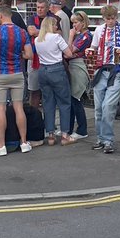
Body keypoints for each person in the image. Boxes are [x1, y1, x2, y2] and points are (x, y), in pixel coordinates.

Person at [0, 6, 33, 156]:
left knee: (1, 110)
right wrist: (19, 54)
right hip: (17, 72)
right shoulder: (22, 32)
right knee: (19, 107)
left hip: (0, 73)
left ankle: (1, 145)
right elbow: (29, 55)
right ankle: (24, 142)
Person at [89, 4, 120, 154]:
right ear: (103, 18)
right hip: (101, 71)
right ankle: (100, 139)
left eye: (113, 18)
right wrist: (90, 51)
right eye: (108, 18)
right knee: (98, 108)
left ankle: (108, 140)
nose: (111, 21)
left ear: (117, 16)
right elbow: (94, 48)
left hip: (116, 71)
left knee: (108, 107)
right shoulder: (98, 30)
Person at [35, 12, 73, 146]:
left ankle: (50, 135)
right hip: (56, 69)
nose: (57, 27)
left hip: (42, 70)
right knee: (64, 102)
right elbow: (68, 54)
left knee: (48, 103)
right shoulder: (56, 38)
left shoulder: (37, 39)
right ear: (51, 25)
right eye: (55, 25)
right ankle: (65, 135)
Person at [66, 11, 91, 142]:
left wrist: (70, 37)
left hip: (78, 67)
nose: (74, 25)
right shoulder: (80, 35)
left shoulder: (85, 37)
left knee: (76, 99)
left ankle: (82, 129)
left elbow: (69, 52)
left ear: (83, 22)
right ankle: (68, 128)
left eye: (76, 22)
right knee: (71, 100)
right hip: (73, 67)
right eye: (73, 22)